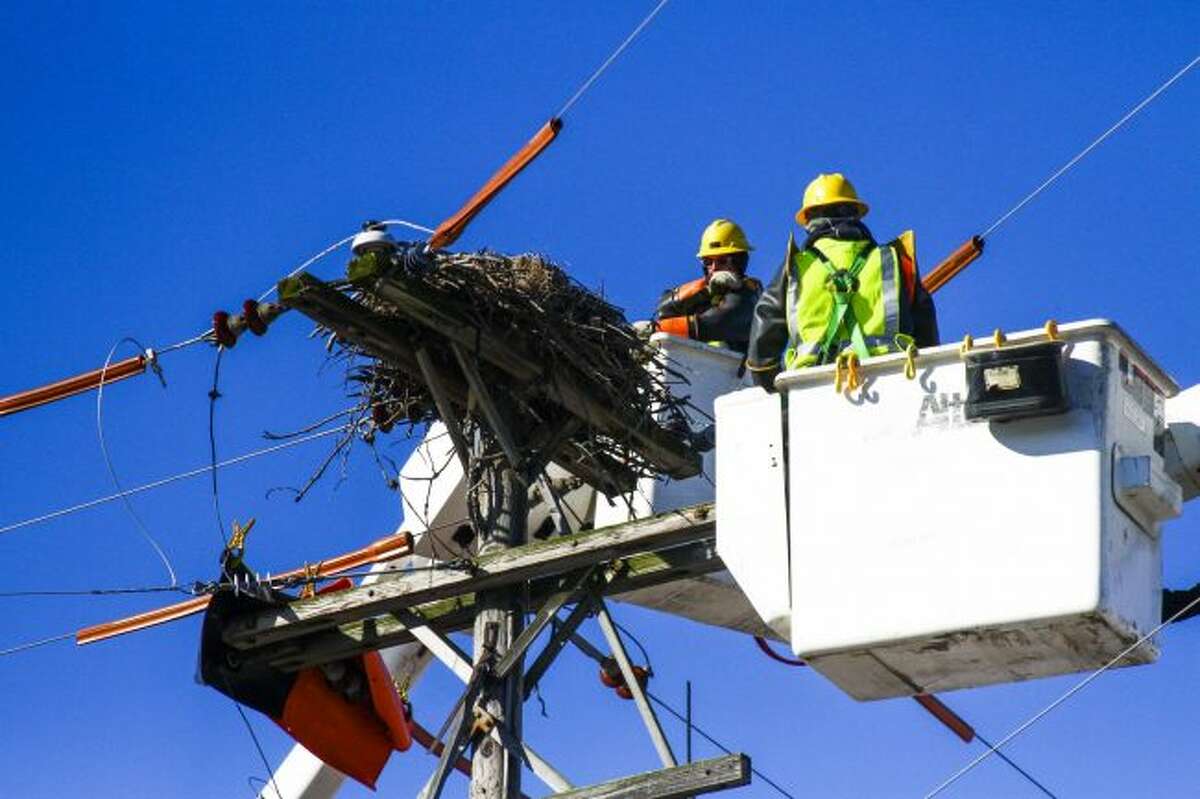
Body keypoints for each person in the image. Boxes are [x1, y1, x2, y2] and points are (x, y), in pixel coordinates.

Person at [746, 173, 939, 389]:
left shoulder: (795, 268)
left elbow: (761, 352)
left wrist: (778, 394)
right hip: (892, 383)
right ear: (855, 213)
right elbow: (928, 341)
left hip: (812, 390)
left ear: (809, 219)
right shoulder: (893, 260)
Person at [642, 218, 762, 354]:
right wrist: (707, 290)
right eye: (708, 262)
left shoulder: (750, 293)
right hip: (702, 369)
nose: (714, 268)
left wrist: (655, 329)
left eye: (722, 261)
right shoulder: (706, 294)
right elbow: (664, 310)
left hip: (737, 372)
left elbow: (715, 324)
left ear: (739, 261)